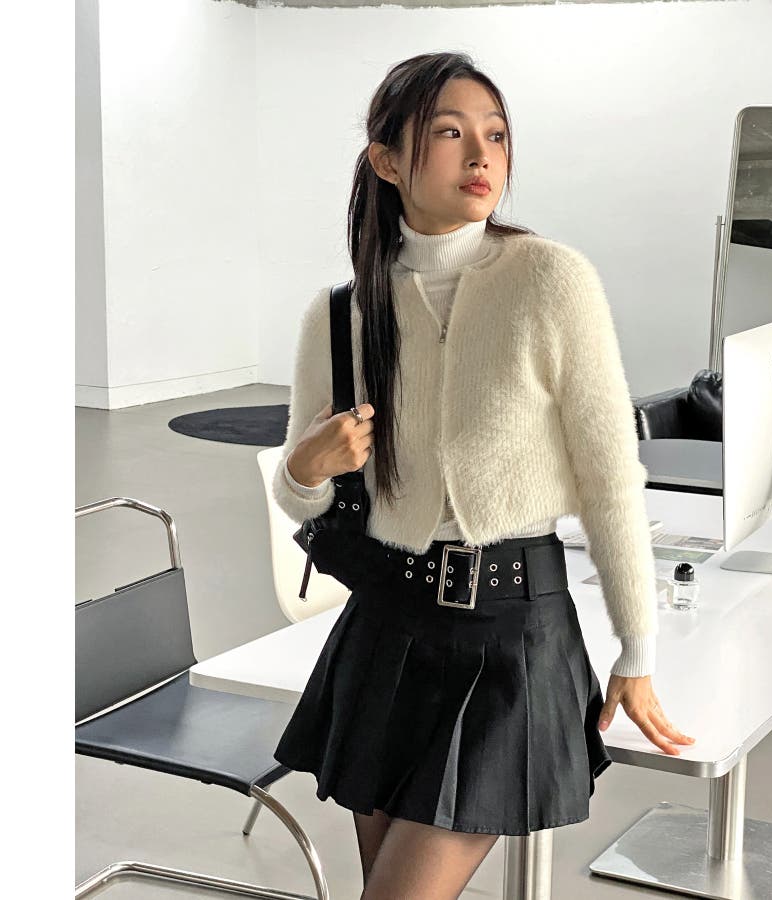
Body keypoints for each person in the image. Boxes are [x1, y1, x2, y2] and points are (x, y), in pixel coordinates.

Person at [271, 52, 695, 900]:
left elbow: (611, 476)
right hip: (386, 629)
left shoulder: (550, 279)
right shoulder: (341, 313)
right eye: (449, 132)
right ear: (387, 160)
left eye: (496, 135)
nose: (481, 156)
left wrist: (637, 649)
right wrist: (305, 469)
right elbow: (299, 490)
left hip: (511, 635)